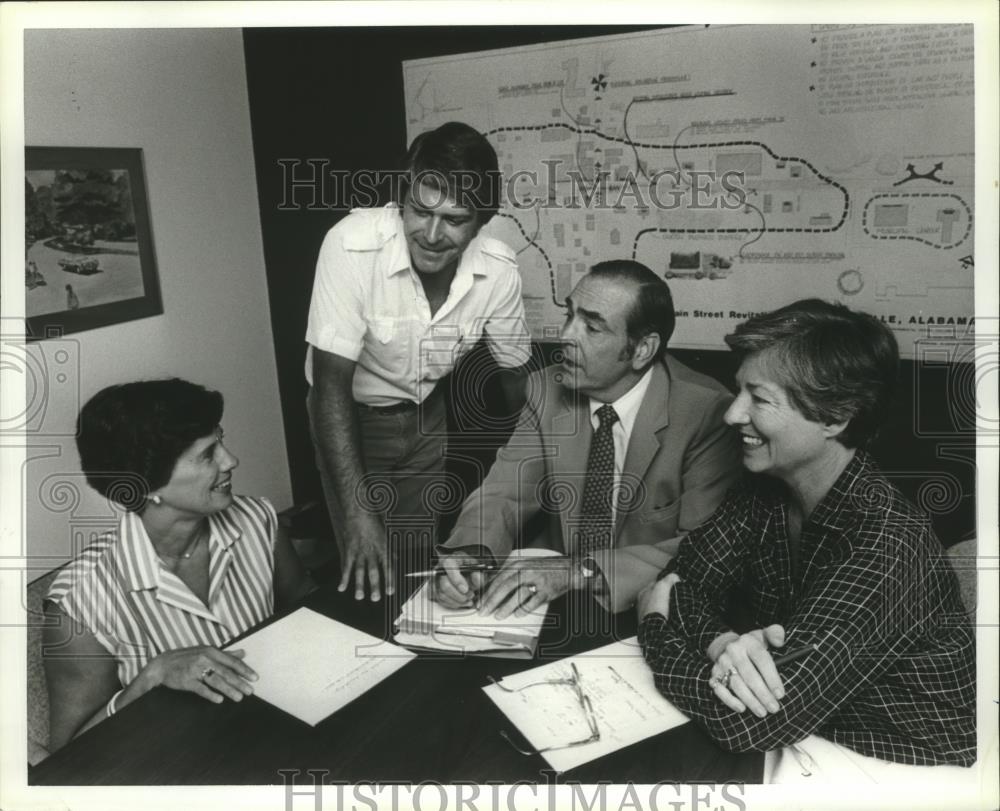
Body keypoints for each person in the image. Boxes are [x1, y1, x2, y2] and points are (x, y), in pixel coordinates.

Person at [636, 300, 976, 782]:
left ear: (834, 417)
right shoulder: (764, 490)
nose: (733, 415)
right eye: (739, 391)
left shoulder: (887, 546)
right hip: (808, 731)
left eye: (760, 398)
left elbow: (747, 723)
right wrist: (719, 642)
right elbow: (684, 579)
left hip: (898, 767)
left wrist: (654, 625)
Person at [433, 260, 741, 616]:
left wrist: (580, 571)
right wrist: (473, 554)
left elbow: (702, 548)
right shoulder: (545, 389)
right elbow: (505, 493)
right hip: (550, 595)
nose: (566, 335)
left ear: (641, 349)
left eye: (592, 328)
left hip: (647, 601)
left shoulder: (706, 412)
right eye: (570, 315)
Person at [305, 121, 531, 603]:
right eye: (419, 211)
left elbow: (515, 377)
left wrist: (529, 458)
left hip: (429, 415)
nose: (430, 234)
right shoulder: (349, 243)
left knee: (416, 561)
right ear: (403, 196)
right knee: (367, 563)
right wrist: (360, 516)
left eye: (454, 219)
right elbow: (329, 387)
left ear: (481, 221)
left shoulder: (499, 269)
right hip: (351, 417)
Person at [44, 379, 315, 751]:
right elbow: (68, 756)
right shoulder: (79, 601)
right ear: (146, 483)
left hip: (279, 730)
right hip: (177, 763)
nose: (230, 460)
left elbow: (305, 607)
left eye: (221, 440)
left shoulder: (257, 519)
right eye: (208, 454)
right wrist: (150, 677)